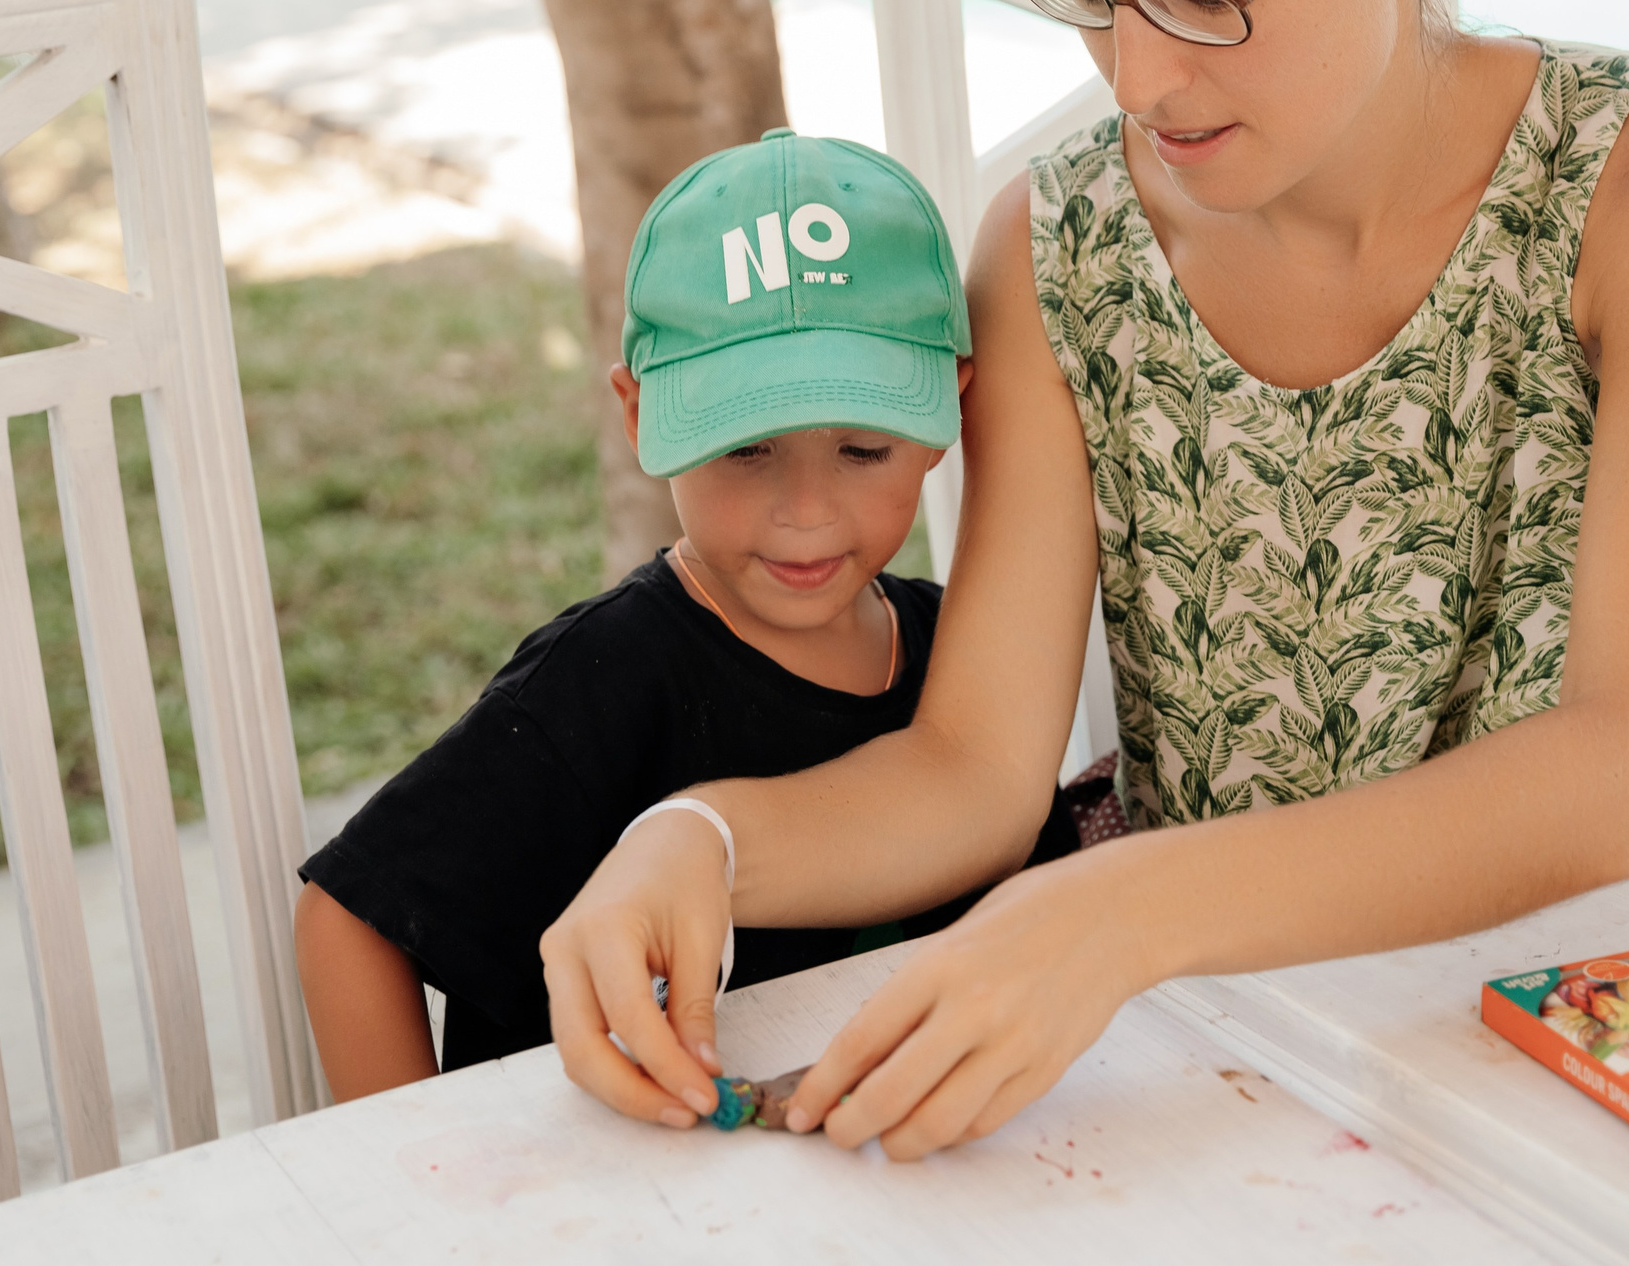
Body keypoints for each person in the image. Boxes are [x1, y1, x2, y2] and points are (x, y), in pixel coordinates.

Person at [539, 0, 1629, 1160]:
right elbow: (979, 770)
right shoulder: (1057, 248)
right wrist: (701, 834)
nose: (1134, 76)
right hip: (1243, 1058)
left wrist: (1123, 906)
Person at [293, 130, 1077, 1099]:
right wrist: (426, 1171)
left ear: (947, 411)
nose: (805, 510)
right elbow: (349, 919)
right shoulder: (600, 682)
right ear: (638, 415)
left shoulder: (966, 659)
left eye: (862, 448)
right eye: (745, 449)